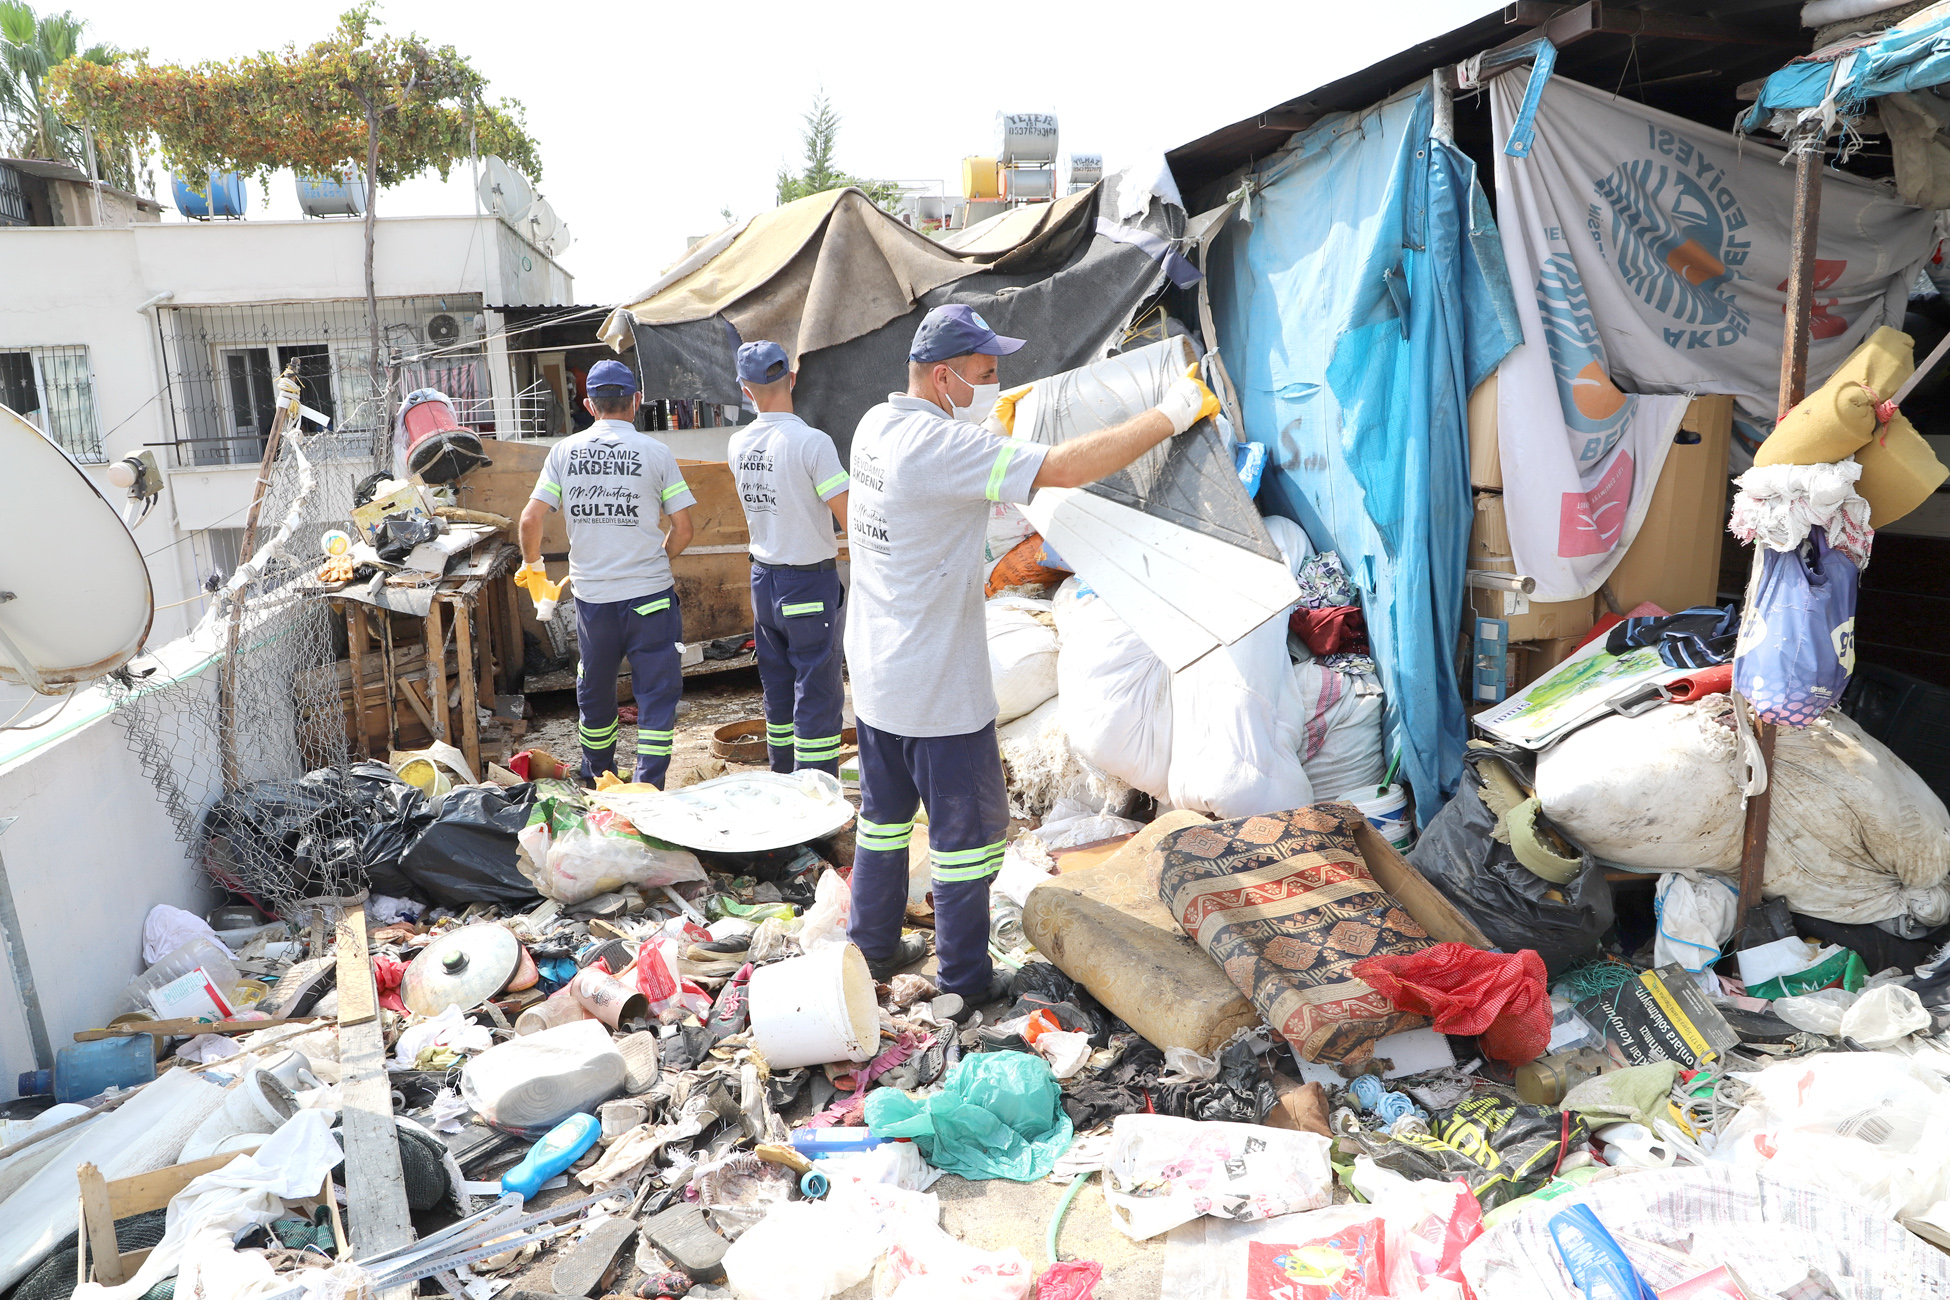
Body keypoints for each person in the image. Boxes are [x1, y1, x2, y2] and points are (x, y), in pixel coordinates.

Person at [845, 303, 1219, 1009]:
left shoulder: (876, 426)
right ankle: (964, 981)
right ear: (945, 376)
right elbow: (1066, 466)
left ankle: (870, 949)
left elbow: (938, 469)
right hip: (936, 691)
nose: (992, 385)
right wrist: (1171, 413)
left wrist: (987, 426)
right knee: (969, 839)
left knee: (884, 821)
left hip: (876, 678)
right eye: (984, 376)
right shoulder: (939, 451)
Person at [518, 358, 697, 787]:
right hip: (651, 596)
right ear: (635, 402)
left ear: (588, 404)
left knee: (596, 691)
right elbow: (685, 528)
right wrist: (656, 560)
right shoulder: (656, 453)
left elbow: (529, 520)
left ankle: (598, 779)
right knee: (656, 695)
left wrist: (534, 567)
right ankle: (648, 785)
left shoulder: (564, 452)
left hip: (594, 600)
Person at [727, 341, 850, 775]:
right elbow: (850, 517)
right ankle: (815, 797)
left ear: (745, 389)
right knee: (816, 692)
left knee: (778, 691)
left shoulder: (737, 444)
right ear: (792, 379)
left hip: (763, 583)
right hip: (808, 584)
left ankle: (782, 784)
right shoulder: (812, 443)